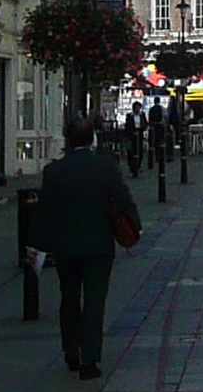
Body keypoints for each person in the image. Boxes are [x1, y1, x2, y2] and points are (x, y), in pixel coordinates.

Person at [34, 113, 139, 378]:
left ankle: (71, 350)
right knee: (94, 301)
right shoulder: (107, 166)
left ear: (68, 140)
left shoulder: (54, 171)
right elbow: (123, 200)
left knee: (69, 298)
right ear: (92, 138)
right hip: (99, 245)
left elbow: (45, 211)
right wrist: (134, 228)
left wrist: (36, 245)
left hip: (66, 246)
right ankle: (89, 359)